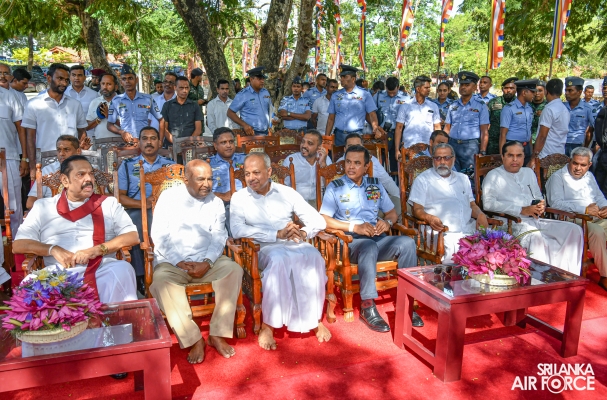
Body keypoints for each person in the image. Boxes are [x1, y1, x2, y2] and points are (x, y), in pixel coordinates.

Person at [230, 153, 332, 350]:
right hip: (261, 247)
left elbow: (318, 220)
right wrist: (276, 234)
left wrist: (303, 232)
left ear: (269, 172)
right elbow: (237, 229)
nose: (251, 178)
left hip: (292, 242)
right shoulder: (239, 198)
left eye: (256, 173)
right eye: (247, 174)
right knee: (278, 260)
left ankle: (314, 320)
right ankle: (268, 325)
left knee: (313, 256)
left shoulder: (287, 192)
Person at [149, 159, 243, 364]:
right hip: (173, 263)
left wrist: (207, 262)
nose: (207, 184)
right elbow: (159, 235)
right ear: (186, 180)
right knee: (162, 282)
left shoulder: (216, 202)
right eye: (201, 179)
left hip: (207, 261)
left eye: (210, 179)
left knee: (233, 270)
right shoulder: (168, 198)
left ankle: (217, 334)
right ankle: (194, 339)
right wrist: (178, 261)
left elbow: (219, 236)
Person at [14, 155, 139, 303]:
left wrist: (97, 250)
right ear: (65, 180)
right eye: (81, 174)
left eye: (91, 174)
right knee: (30, 285)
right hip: (58, 271)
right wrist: (52, 249)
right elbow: (18, 245)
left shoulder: (109, 204)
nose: (89, 179)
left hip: (102, 268)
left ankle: (116, 319)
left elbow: (132, 236)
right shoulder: (43, 206)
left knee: (123, 270)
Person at [320, 145, 419, 330]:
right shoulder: (335, 187)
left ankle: (407, 302)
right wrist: (354, 227)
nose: (351, 166)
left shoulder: (375, 185)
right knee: (368, 246)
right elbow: (324, 220)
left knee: (407, 243)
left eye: (357, 163)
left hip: (377, 239)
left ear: (366, 166)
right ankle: (367, 305)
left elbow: (391, 213)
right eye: (348, 162)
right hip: (350, 243)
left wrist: (387, 223)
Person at [482, 141, 584, 274]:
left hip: (535, 220)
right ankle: (538, 279)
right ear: (503, 157)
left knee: (574, 230)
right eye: (510, 155)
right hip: (510, 224)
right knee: (536, 237)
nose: (515, 159)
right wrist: (521, 209)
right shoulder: (493, 175)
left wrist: (540, 205)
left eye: (519, 155)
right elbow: (488, 204)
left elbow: (538, 196)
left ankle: (568, 274)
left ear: (524, 157)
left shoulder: (528, 172)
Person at [117, 126, 175, 294]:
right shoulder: (127, 166)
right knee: (136, 222)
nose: (149, 142)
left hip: (167, 209)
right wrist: (144, 203)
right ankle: (141, 276)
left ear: (159, 142)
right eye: (145, 138)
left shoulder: (171, 165)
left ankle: (172, 267)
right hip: (138, 208)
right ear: (139, 143)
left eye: (153, 138)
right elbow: (120, 197)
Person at [409, 143, 489, 262]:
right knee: (459, 252)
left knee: (493, 247)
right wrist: (429, 218)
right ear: (433, 160)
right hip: (442, 232)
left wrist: (480, 214)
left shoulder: (463, 178)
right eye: (438, 158)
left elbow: (472, 205)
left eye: (446, 158)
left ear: (453, 159)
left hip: (468, 228)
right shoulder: (423, 180)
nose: (442, 162)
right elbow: (417, 210)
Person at [546, 147, 607, 290]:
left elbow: (599, 197)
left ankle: (600, 261)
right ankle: (605, 275)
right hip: (569, 219)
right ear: (569, 161)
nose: (578, 168)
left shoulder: (589, 177)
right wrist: (584, 209)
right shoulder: (558, 178)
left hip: (592, 216)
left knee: (598, 227)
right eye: (575, 163)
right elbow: (555, 203)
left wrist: (605, 207)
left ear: (589, 165)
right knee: (597, 231)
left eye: (583, 165)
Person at [22, 63, 88, 175]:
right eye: (60, 78)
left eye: (66, 80)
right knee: (45, 187)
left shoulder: (75, 105)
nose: (64, 83)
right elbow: (30, 138)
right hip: (45, 162)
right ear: (49, 78)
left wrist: (80, 154)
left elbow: (82, 132)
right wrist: (32, 166)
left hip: (71, 162)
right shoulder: (34, 104)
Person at [337, 133, 401, 216]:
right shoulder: (339, 164)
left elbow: (386, 180)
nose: (354, 149)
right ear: (345, 149)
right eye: (350, 146)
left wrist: (399, 196)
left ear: (363, 147)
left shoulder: (373, 160)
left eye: (357, 146)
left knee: (400, 206)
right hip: (352, 202)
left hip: (375, 196)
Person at [0, 82, 25, 279]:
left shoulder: (9, 96)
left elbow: (21, 128)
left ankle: (17, 249)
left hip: (8, 157)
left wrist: (25, 157)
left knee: (14, 208)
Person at [325, 65, 384, 146]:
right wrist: (326, 138)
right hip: (339, 135)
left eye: (345, 77)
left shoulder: (364, 94)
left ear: (353, 79)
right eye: (341, 77)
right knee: (338, 154)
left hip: (356, 135)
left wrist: (375, 128)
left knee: (355, 154)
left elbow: (372, 114)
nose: (342, 79)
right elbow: (331, 119)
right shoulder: (336, 95)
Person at [444, 71, 490, 171]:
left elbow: (484, 131)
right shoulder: (453, 105)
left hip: (470, 147)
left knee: (470, 175)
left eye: (467, 85)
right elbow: (447, 127)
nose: (463, 87)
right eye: (462, 85)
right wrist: (444, 146)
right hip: (452, 144)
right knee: (451, 173)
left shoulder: (480, 106)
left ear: (474, 87)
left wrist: (482, 151)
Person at [107, 64, 164, 143]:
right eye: (124, 79)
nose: (127, 81)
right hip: (127, 143)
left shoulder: (147, 99)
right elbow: (109, 125)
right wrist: (121, 132)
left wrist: (160, 140)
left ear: (136, 80)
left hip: (145, 143)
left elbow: (161, 120)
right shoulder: (116, 101)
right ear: (121, 82)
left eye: (130, 78)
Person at [26, 135, 81, 209]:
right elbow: (30, 202)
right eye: (59, 150)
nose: (61, 154)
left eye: (66, 150)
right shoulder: (48, 170)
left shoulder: (88, 171)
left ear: (78, 151)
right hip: (51, 211)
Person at [209, 127, 246, 233]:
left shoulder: (245, 159)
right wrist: (221, 196)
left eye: (231, 142)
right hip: (223, 203)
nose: (228, 145)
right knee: (230, 212)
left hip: (247, 200)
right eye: (223, 142)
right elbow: (200, 190)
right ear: (215, 146)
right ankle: (234, 241)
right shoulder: (208, 164)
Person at [528, 79, 570, 169]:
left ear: (546, 91)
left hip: (546, 156)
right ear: (561, 93)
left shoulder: (549, 109)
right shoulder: (564, 109)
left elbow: (542, 136)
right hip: (560, 153)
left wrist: (533, 158)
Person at [282, 130, 331, 207]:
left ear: (319, 147)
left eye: (310, 143)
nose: (304, 146)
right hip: (296, 203)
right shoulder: (291, 160)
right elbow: (283, 187)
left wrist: (323, 164)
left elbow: (330, 186)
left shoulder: (325, 159)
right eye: (303, 142)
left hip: (318, 203)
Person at [394, 75, 441, 153]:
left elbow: (437, 128)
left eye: (429, 87)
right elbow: (399, 128)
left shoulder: (433, 106)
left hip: (428, 149)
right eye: (426, 88)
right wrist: (396, 150)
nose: (429, 90)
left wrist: (438, 148)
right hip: (408, 148)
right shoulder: (405, 106)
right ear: (418, 89)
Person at [374, 76, 410, 172]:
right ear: (386, 87)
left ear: (398, 87)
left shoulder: (406, 98)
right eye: (389, 92)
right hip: (382, 133)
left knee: (396, 159)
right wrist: (376, 127)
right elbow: (370, 112)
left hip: (398, 133)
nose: (391, 95)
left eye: (394, 92)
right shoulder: (378, 96)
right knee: (380, 161)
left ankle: (396, 180)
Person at [499, 79, 537, 166]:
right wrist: (502, 155)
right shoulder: (509, 108)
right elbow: (503, 134)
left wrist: (531, 151)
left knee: (526, 172)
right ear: (524, 93)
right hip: (513, 148)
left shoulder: (529, 108)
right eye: (532, 92)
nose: (534, 94)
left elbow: (529, 131)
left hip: (526, 148)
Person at [228, 67, 272, 135]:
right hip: (250, 134)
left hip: (266, 133)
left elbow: (270, 109)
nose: (262, 81)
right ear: (251, 79)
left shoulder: (265, 92)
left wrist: (273, 119)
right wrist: (244, 125)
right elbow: (230, 113)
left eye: (263, 79)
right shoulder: (243, 94)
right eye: (259, 79)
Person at [160, 76, 203, 145]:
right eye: (181, 88)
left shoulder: (195, 106)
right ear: (175, 88)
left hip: (190, 146)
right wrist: (175, 143)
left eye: (187, 88)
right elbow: (164, 129)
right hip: (171, 145)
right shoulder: (167, 105)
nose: (184, 91)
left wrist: (187, 143)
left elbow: (198, 130)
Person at [487, 77, 518, 155]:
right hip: (494, 143)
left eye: (511, 88)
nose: (508, 90)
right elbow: (485, 121)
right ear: (502, 89)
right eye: (506, 88)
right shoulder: (494, 102)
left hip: (513, 142)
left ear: (516, 90)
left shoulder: (519, 103)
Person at [564, 77, 594, 156]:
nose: (566, 93)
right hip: (561, 143)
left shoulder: (588, 109)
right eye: (566, 90)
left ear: (579, 92)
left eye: (570, 90)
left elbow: (592, 129)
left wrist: (585, 147)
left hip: (577, 145)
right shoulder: (561, 107)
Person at [86, 73, 119, 140]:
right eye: (103, 84)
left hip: (120, 142)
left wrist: (109, 116)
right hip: (99, 143)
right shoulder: (94, 102)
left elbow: (129, 126)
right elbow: (87, 127)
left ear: (116, 87)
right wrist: (99, 117)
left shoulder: (123, 102)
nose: (105, 87)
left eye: (109, 84)